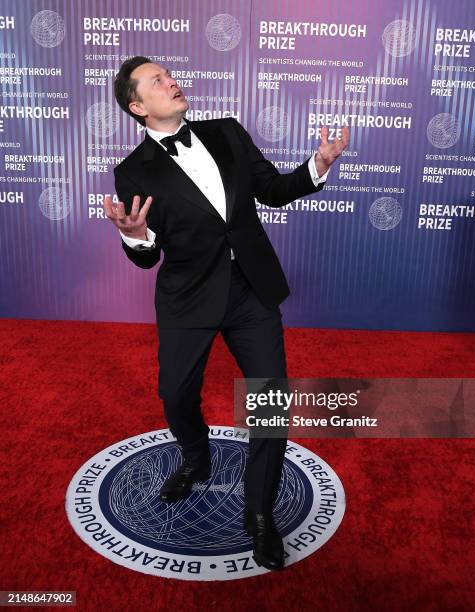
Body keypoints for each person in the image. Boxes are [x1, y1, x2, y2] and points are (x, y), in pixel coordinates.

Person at [104, 56, 349, 571]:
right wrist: (134, 238)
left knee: (269, 403)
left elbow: (274, 191)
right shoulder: (131, 171)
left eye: (168, 74)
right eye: (156, 81)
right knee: (176, 394)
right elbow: (148, 251)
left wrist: (319, 164)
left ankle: (259, 513)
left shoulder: (227, 132)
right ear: (137, 106)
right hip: (188, 295)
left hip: (250, 291)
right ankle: (196, 458)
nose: (170, 81)